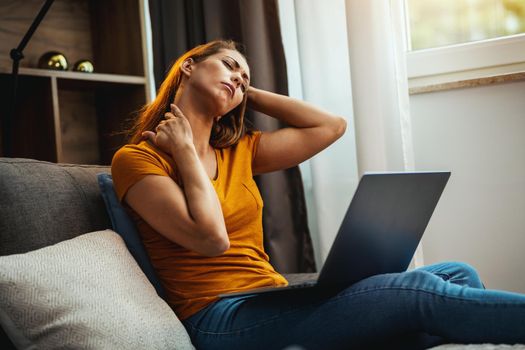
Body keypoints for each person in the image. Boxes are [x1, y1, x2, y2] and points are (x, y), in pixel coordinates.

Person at [111, 40, 525, 350]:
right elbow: (211, 238)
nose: (238, 77)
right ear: (188, 66)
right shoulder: (136, 159)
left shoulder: (239, 151)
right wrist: (184, 150)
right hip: (219, 317)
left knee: (456, 273)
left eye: (245, 78)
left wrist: (243, 92)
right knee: (418, 290)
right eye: (229, 65)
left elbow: (330, 127)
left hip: (271, 298)